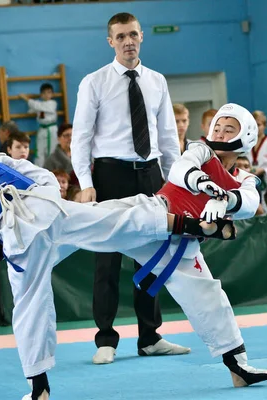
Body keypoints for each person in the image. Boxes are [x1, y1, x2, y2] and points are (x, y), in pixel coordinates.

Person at [0, 122, 235, 400]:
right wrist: (52, 206)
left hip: (18, 244)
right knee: (112, 219)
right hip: (49, 212)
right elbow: (43, 178)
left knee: (29, 309)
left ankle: (38, 387)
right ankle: (185, 224)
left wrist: (1, 251)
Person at [98, 103, 267, 387]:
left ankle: (239, 367)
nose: (220, 132)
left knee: (210, 298)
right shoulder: (201, 151)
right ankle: (42, 225)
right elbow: (179, 169)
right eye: (217, 126)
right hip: (154, 217)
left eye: (229, 128)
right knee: (96, 222)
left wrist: (226, 200)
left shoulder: (243, 179)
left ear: (245, 135)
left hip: (183, 246)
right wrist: (203, 182)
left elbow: (250, 203)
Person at [71, 12, 186, 364]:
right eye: (120, 36)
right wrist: (86, 184)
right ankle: (105, 339)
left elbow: (168, 137)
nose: (128, 41)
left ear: (142, 36)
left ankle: (150, 336)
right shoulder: (94, 82)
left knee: (152, 256)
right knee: (107, 259)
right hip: (110, 176)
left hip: (151, 175)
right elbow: (81, 138)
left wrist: (177, 182)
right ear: (110, 41)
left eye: (133, 34)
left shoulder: (157, 81)